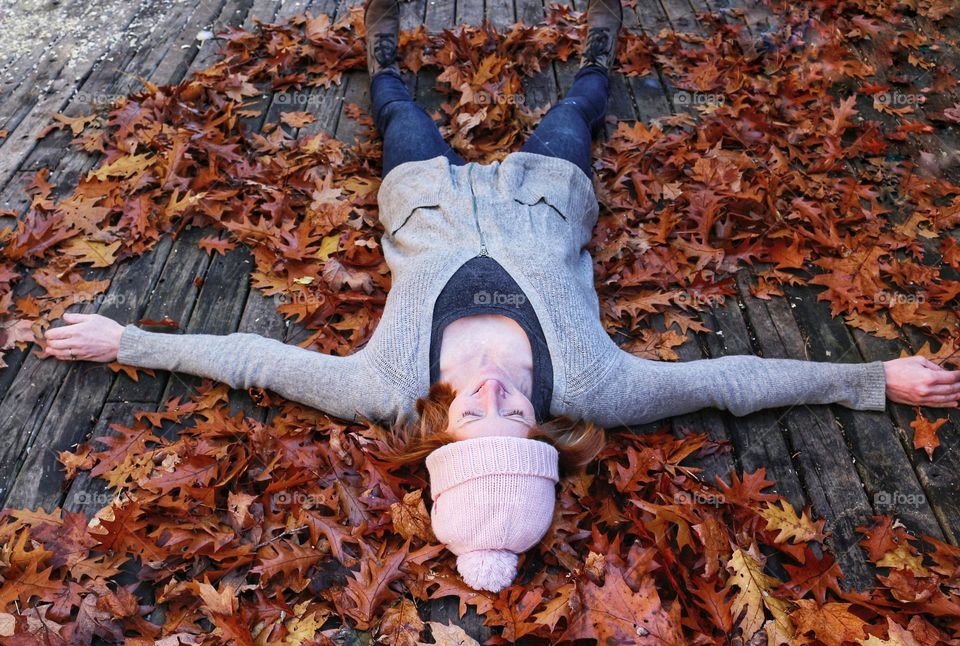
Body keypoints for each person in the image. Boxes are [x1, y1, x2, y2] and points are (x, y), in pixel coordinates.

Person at [42, 0, 959, 593]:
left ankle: (384, 47)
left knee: (398, 113)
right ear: (542, 436)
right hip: (543, 200)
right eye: (515, 417)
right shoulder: (596, 389)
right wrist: (875, 376)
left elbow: (251, 359)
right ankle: (604, 47)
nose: (496, 394)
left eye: (476, 414)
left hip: (429, 205)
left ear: (441, 433)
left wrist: (125, 340)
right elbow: (735, 379)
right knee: (579, 109)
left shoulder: (382, 388)